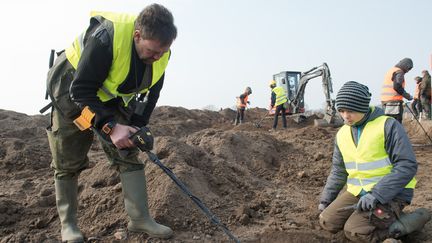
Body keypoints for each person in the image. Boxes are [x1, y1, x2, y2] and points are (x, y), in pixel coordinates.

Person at [44, 4, 177, 242]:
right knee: (68, 159)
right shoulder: (105, 38)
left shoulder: (161, 52)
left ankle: (139, 219)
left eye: (162, 52)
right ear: (138, 35)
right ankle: (69, 226)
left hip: (110, 97)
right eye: (152, 51)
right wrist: (111, 127)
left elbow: (151, 94)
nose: (157, 57)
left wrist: (137, 125)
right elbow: (82, 90)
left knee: (128, 151)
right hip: (72, 90)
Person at [318, 81, 430, 242]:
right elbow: (338, 171)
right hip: (358, 192)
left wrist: (376, 195)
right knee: (327, 220)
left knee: (355, 231)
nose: (345, 116)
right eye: (341, 111)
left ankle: (411, 221)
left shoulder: (388, 126)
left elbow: (406, 165)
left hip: (391, 193)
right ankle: (384, 217)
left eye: (350, 110)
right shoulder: (342, 134)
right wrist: (325, 200)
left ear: (363, 107)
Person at [381, 58, 414, 123]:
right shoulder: (399, 72)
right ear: (405, 65)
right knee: (396, 125)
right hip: (394, 103)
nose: (408, 71)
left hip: (385, 102)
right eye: (408, 68)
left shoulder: (391, 70)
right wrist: (408, 96)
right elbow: (397, 87)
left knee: (387, 124)